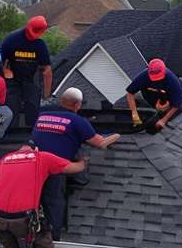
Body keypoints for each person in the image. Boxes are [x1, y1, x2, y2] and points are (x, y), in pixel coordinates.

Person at [30, 87, 120, 238]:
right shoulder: (78, 121)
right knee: (54, 202)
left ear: (61, 101)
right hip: (53, 168)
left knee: (31, 200)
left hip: (31, 165)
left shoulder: (42, 115)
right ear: (78, 105)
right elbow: (101, 143)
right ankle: (54, 236)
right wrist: (118, 135)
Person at [0, 15, 53, 128]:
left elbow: (47, 71)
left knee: (33, 108)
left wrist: (46, 97)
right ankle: (11, 134)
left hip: (31, 79)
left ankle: (31, 135)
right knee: (11, 108)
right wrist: (5, 72)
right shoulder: (11, 40)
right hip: (12, 80)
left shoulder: (40, 45)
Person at [124, 58, 182, 130]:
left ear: (164, 71)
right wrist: (134, 113)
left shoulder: (173, 81)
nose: (156, 80)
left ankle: (163, 110)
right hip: (149, 96)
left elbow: (176, 105)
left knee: (164, 113)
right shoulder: (143, 76)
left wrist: (163, 120)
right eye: (154, 78)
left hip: (167, 98)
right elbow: (130, 93)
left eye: (159, 77)